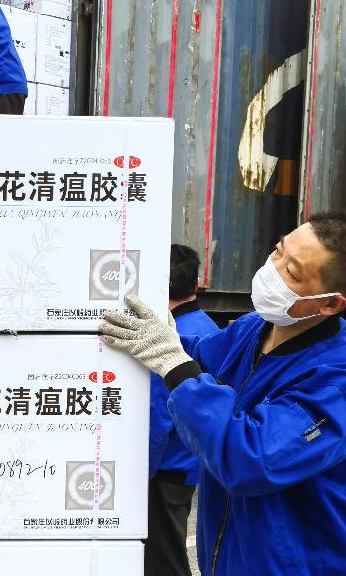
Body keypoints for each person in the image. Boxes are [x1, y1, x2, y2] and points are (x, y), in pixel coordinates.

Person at [101, 214, 346, 575]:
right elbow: (196, 357)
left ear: (330, 304)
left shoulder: (341, 376)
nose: (272, 269)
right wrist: (158, 336)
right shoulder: (255, 328)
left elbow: (250, 459)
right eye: (278, 252)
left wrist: (173, 362)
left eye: (292, 272)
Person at [146, 244, 220, 576]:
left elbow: (158, 414)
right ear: (196, 284)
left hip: (164, 467)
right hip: (187, 462)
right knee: (169, 549)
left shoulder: (171, 337)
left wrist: (139, 472)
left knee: (163, 560)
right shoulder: (209, 329)